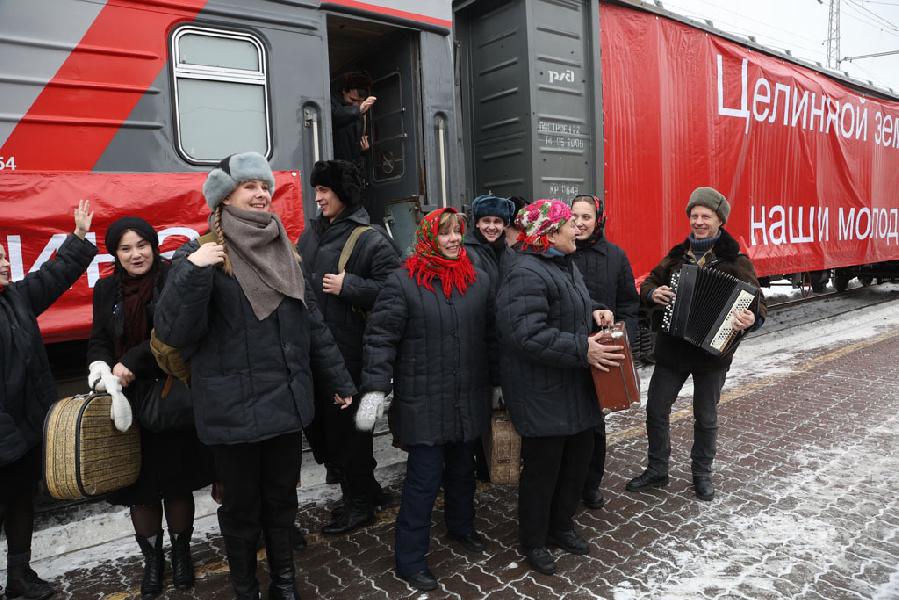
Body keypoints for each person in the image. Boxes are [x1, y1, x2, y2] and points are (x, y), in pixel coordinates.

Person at [153, 152, 356, 600]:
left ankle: (284, 582)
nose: (262, 193)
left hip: (284, 405)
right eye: (250, 186)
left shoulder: (285, 247)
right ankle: (245, 586)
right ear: (225, 196)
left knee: (282, 501)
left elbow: (312, 324)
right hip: (233, 414)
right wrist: (192, 272)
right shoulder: (201, 252)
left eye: (265, 186)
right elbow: (172, 331)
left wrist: (339, 380)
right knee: (242, 509)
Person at [355, 208, 497, 592]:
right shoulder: (403, 283)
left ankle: (461, 528)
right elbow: (380, 339)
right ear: (429, 237)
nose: (453, 240)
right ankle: (410, 560)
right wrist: (373, 392)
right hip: (423, 403)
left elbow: (490, 339)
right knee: (423, 482)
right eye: (445, 233)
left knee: (462, 472)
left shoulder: (478, 281)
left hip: (467, 397)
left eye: (457, 232)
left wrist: (498, 384)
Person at [86, 217, 212, 599]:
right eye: (125, 248)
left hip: (168, 394)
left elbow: (176, 333)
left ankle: (182, 556)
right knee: (139, 489)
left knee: (175, 483)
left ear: (154, 245)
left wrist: (134, 362)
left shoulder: (173, 277)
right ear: (115, 254)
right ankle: (153, 561)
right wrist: (101, 368)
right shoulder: (105, 288)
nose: (135, 254)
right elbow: (98, 340)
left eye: (142, 245)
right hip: (126, 405)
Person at [496, 199, 623, 577]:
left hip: (574, 385)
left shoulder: (562, 264)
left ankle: (562, 526)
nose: (576, 229)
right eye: (568, 224)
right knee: (543, 470)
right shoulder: (525, 272)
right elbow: (525, 333)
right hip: (542, 391)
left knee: (576, 461)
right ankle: (534, 539)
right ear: (549, 233)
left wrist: (595, 310)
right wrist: (581, 348)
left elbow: (568, 310)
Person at [625, 187, 766, 501]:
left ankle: (702, 474)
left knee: (706, 417)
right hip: (673, 350)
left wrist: (750, 320)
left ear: (719, 220)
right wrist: (651, 293)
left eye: (706, 216)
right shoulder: (678, 255)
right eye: (694, 216)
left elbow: (758, 305)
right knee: (656, 409)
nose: (699, 222)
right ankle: (657, 469)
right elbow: (650, 280)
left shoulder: (736, 260)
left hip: (712, 355)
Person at [296, 159, 400, 535]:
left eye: (324, 191)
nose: (318, 198)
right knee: (331, 432)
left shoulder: (370, 238)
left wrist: (351, 286)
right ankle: (367, 490)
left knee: (350, 435)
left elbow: (397, 292)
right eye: (317, 190)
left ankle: (359, 504)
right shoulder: (311, 235)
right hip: (319, 352)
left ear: (343, 193)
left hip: (352, 354)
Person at [0, 200, 97, 600]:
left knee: (22, 503)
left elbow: (52, 277)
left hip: (21, 434)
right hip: (7, 437)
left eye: (4, 258)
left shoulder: (15, 298)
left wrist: (77, 239)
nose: (6, 264)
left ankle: (19, 577)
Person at [570, 195, 640, 510]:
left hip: (603, 355)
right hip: (568, 352)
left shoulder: (615, 256)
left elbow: (629, 304)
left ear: (599, 219)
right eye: (575, 216)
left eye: (586, 217)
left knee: (595, 426)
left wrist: (624, 343)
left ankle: (590, 484)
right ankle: (567, 483)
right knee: (569, 425)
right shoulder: (560, 253)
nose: (580, 223)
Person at [462, 194, 516, 288]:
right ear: (477, 223)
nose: (491, 227)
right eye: (486, 221)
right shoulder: (465, 252)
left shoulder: (510, 254)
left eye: (497, 222)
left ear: (504, 225)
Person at [331, 72, 376, 169]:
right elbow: (334, 118)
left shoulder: (358, 111)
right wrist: (358, 111)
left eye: (361, 101)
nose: (356, 104)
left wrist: (363, 151)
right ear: (344, 91)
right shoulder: (332, 102)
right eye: (353, 100)